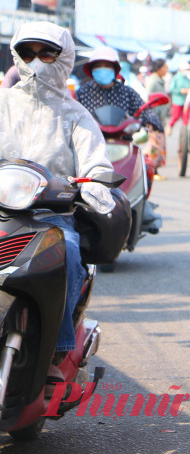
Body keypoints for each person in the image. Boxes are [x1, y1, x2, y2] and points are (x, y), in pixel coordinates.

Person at [0, 22, 116, 378]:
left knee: (68, 252)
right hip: (2, 210)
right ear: (16, 56)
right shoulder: (2, 104)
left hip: (50, 215)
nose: (36, 60)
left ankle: (55, 350)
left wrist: (94, 187)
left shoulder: (76, 115)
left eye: (46, 53)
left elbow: (97, 166)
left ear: (63, 57)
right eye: (28, 52)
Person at [76, 46, 164, 134]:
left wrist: (150, 121)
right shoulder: (83, 92)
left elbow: (145, 111)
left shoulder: (126, 92)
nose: (103, 69)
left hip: (122, 140)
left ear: (114, 69)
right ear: (92, 69)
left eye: (107, 66)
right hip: (91, 140)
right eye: (98, 66)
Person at [144, 59, 170, 178]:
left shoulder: (159, 81)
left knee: (158, 145)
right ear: (159, 68)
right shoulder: (153, 81)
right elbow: (148, 100)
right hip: (154, 119)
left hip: (160, 119)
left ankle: (154, 170)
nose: (167, 69)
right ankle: (152, 171)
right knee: (154, 146)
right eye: (165, 67)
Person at [167, 61, 190, 134]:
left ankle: (184, 132)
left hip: (186, 102)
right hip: (177, 101)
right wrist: (180, 90)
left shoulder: (189, 79)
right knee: (176, 116)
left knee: (186, 118)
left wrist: (188, 91)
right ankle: (169, 126)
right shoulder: (176, 78)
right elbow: (171, 89)